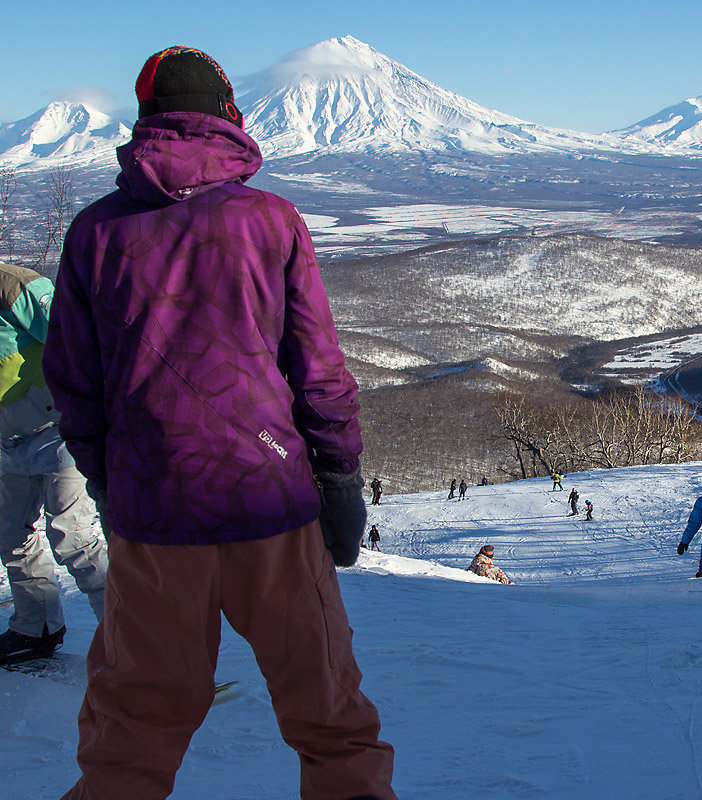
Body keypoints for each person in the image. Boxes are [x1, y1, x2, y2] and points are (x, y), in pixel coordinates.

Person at [42, 47, 394, 800]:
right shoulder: (269, 221)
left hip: (153, 512)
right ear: (228, 116)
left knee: (130, 730)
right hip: (269, 500)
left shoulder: (95, 233)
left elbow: (73, 382)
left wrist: (113, 481)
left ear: (146, 121)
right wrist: (338, 475)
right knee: (329, 713)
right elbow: (319, 367)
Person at [0, 263, 107, 665]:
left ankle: (131, 643)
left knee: (73, 538)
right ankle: (35, 628)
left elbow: (81, 345)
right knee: (11, 536)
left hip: (57, 430)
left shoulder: (15, 287)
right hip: (10, 440)